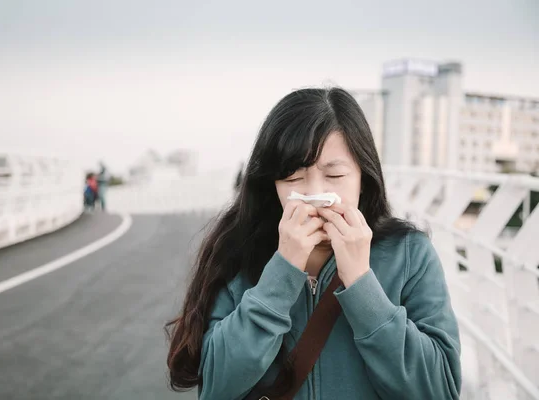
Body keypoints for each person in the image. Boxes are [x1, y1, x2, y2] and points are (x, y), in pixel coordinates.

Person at [166, 88, 461, 399]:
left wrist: (362, 284)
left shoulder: (410, 254)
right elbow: (216, 388)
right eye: (293, 179)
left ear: (364, 177)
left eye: (334, 175)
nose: (315, 194)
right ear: (272, 184)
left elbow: (440, 390)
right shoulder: (237, 252)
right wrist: (281, 273)